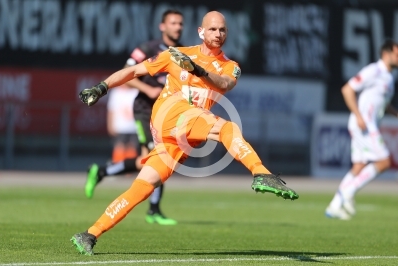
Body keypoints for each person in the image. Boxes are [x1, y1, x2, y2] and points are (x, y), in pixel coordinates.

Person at [71, 11, 299, 255]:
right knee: (227, 127)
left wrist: (197, 70)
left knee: (143, 186)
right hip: (170, 117)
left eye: (222, 30)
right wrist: (102, 87)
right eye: (212, 29)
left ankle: (89, 234)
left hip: (183, 136)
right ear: (201, 32)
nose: (218, 33)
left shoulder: (231, 67)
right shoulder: (176, 55)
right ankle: (261, 173)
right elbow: (134, 71)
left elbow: (223, 84)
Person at [84, 9, 183, 226]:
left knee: (147, 161)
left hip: (166, 113)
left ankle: (102, 171)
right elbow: (127, 74)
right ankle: (154, 210)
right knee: (158, 157)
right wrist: (148, 91)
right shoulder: (148, 49)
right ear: (162, 26)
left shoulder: (182, 53)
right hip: (145, 110)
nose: (178, 27)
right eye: (173, 23)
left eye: (180, 23)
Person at [325, 39, 398, 220]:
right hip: (364, 123)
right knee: (384, 162)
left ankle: (334, 206)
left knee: (358, 166)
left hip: (368, 123)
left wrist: (395, 114)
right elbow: (347, 89)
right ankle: (348, 192)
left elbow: (382, 102)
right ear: (386, 54)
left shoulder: (389, 77)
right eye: (397, 54)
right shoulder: (374, 70)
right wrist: (358, 115)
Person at [106, 85, 139, 163]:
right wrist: (110, 125)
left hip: (133, 127)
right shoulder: (116, 92)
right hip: (120, 127)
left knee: (132, 148)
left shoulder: (136, 92)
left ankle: (129, 169)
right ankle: (117, 166)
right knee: (119, 147)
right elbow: (111, 110)